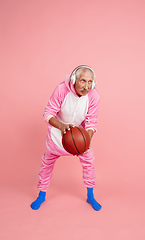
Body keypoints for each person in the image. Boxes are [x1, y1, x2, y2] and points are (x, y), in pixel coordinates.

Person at [30, 65, 102, 211]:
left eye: (90, 82)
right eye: (83, 81)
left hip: (79, 137)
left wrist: (86, 142)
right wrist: (61, 126)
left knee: (89, 162)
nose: (86, 86)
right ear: (74, 79)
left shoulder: (94, 96)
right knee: (47, 163)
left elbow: (91, 122)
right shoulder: (61, 90)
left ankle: (90, 195)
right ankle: (41, 195)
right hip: (57, 135)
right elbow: (48, 113)